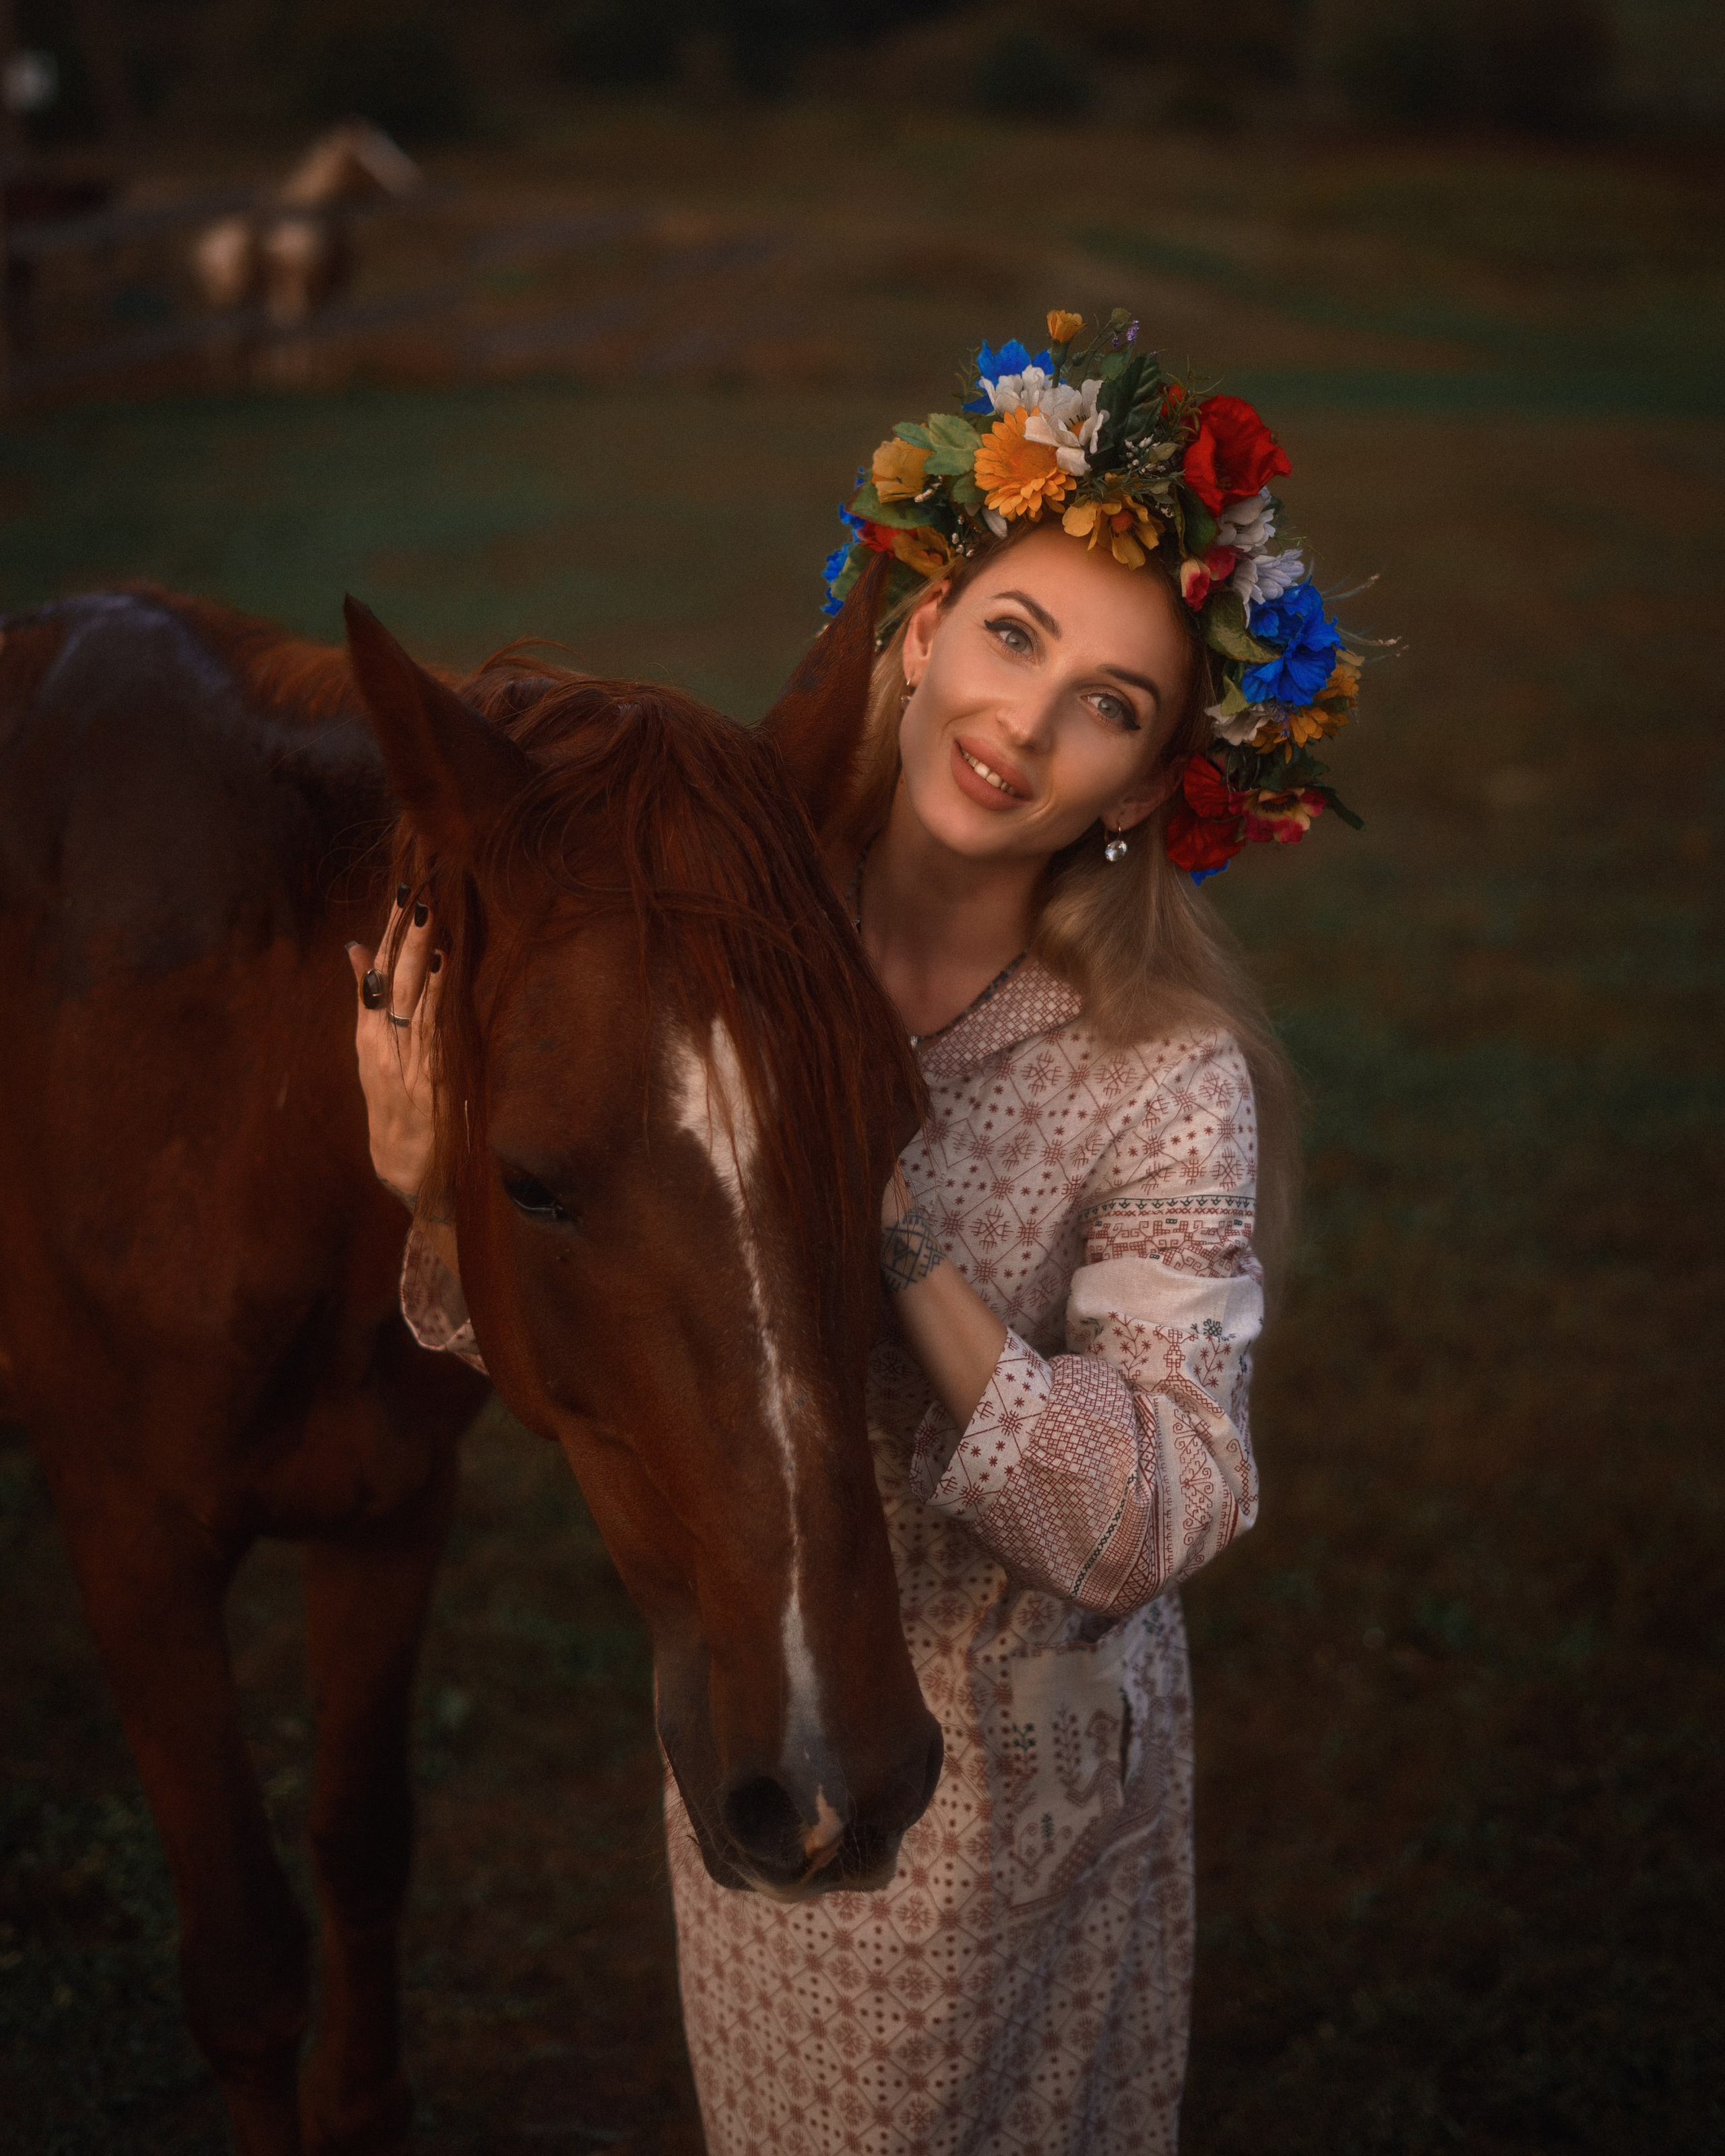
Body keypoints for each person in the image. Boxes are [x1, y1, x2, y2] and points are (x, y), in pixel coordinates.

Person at [350, 311, 1365, 2155]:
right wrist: (435, 1188)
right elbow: (644, 1329)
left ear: (1149, 787)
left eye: (1111, 706)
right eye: (1013, 636)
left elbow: (1168, 1507)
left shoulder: (1156, 1076)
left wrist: (901, 1241)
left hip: (1022, 1780)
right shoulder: (735, 950)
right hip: (768, 1666)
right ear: (919, 634)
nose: (1023, 725)